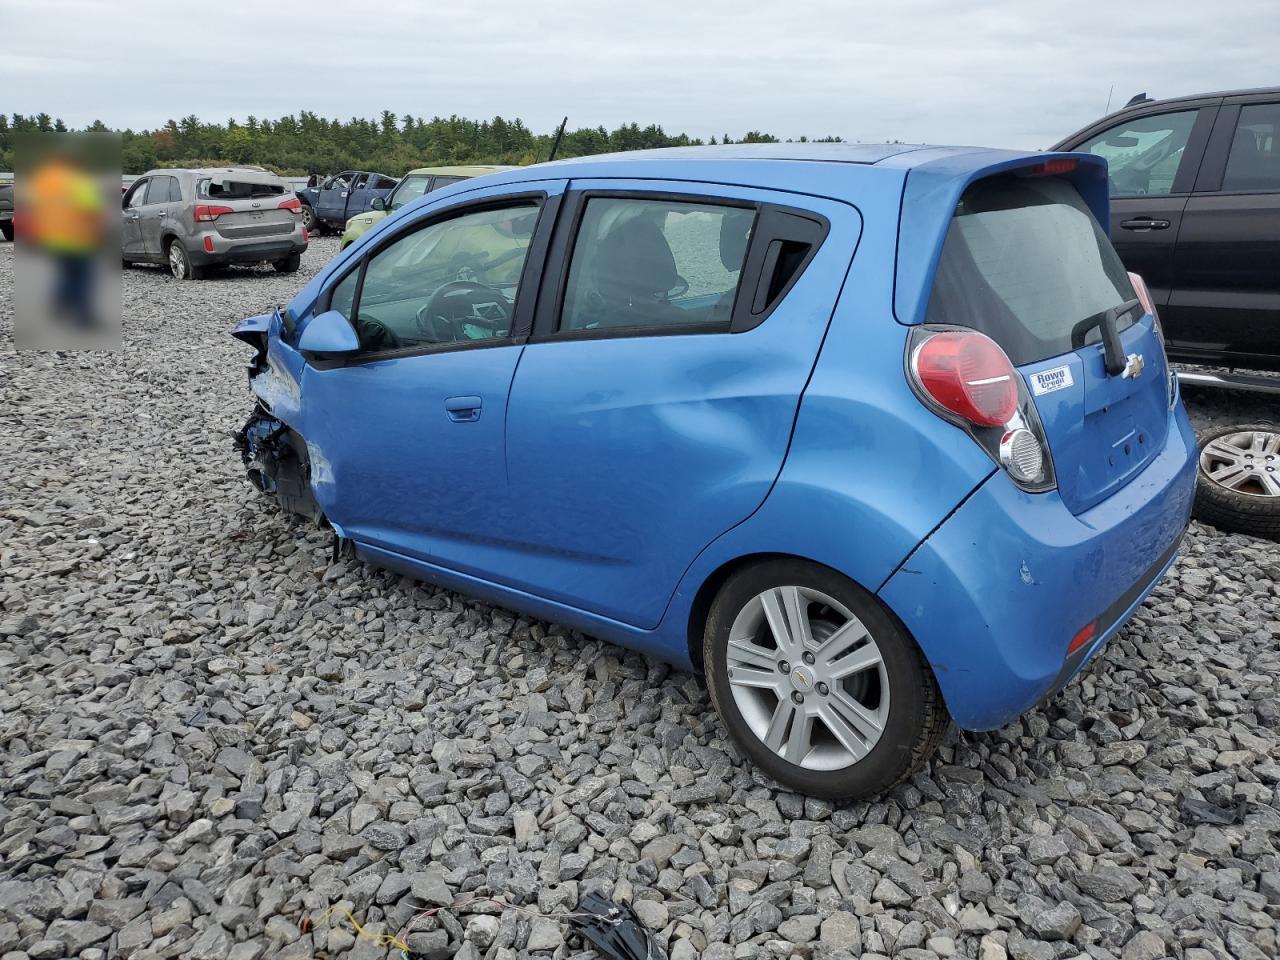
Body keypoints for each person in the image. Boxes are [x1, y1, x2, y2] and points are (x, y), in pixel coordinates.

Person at [27, 150, 104, 330]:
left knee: (67, 274)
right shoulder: (79, 183)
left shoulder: (45, 183)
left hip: (53, 239)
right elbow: (91, 211)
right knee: (84, 278)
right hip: (79, 239)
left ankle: (58, 304)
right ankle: (84, 317)